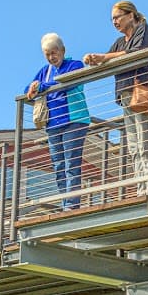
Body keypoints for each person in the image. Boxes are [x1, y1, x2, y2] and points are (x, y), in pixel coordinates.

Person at [83, 1, 148, 193]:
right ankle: (143, 187)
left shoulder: (143, 30)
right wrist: (94, 59)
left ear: (130, 15)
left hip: (142, 91)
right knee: (133, 145)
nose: (114, 21)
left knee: (145, 142)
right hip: (126, 95)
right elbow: (107, 59)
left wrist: (104, 57)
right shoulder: (119, 42)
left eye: (118, 17)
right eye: (112, 19)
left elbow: (136, 53)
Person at [26, 32, 91, 210]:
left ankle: (71, 205)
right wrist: (33, 87)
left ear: (63, 51)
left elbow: (67, 82)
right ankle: (65, 204)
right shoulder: (44, 71)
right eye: (47, 54)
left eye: (54, 52)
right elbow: (28, 88)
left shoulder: (74, 64)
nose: (51, 57)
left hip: (74, 120)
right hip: (53, 124)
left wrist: (42, 86)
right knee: (59, 166)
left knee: (71, 163)